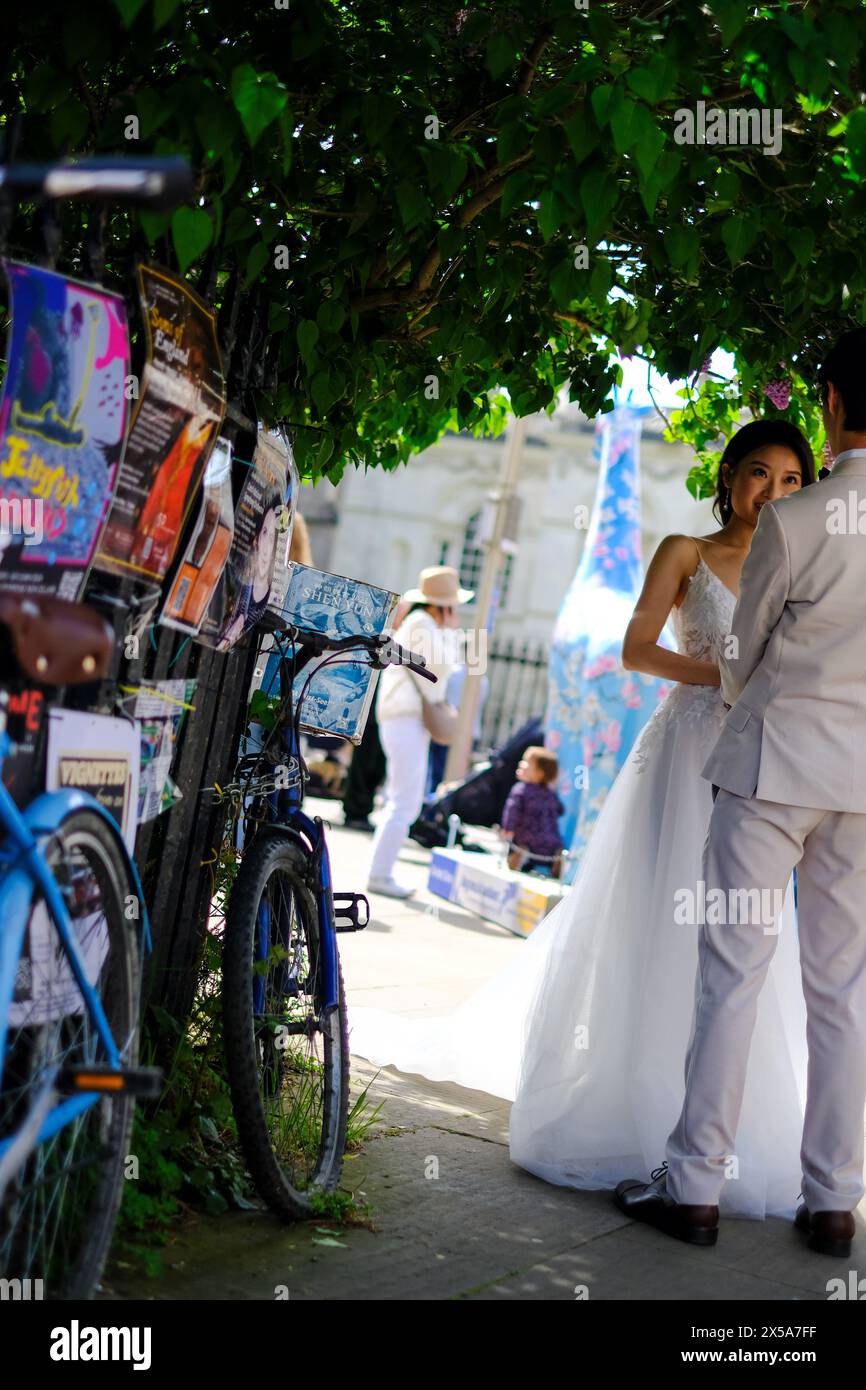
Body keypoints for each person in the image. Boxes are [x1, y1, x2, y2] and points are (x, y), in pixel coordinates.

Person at [349, 419, 816, 1220]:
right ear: (730, 477)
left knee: (745, 943)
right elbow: (636, 651)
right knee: (653, 924)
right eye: (758, 474)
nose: (772, 493)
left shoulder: (804, 564)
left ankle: (724, 1132)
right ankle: (625, 1109)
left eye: (792, 480)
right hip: (682, 753)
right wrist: (724, 672)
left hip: (758, 762)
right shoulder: (684, 551)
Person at [617, 331, 866, 1257]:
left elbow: (743, 660)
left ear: (833, 404)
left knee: (732, 976)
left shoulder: (797, 526)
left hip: (770, 770)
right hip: (863, 783)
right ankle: (835, 1201)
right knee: (843, 990)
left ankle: (693, 1192)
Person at [367, 566, 472, 899]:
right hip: (406, 719)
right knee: (404, 802)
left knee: (403, 800)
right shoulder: (422, 625)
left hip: (407, 719)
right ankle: (380, 874)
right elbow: (442, 670)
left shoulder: (421, 624)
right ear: (441, 605)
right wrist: (454, 635)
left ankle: (381, 872)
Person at [500, 746, 564, 877]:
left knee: (519, 847)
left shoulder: (521, 789)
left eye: (527, 763)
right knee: (550, 851)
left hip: (527, 838)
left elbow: (512, 809)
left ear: (539, 773)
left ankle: (519, 855)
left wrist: (507, 828)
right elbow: (560, 810)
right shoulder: (550, 793)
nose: (521, 764)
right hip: (552, 841)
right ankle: (556, 860)